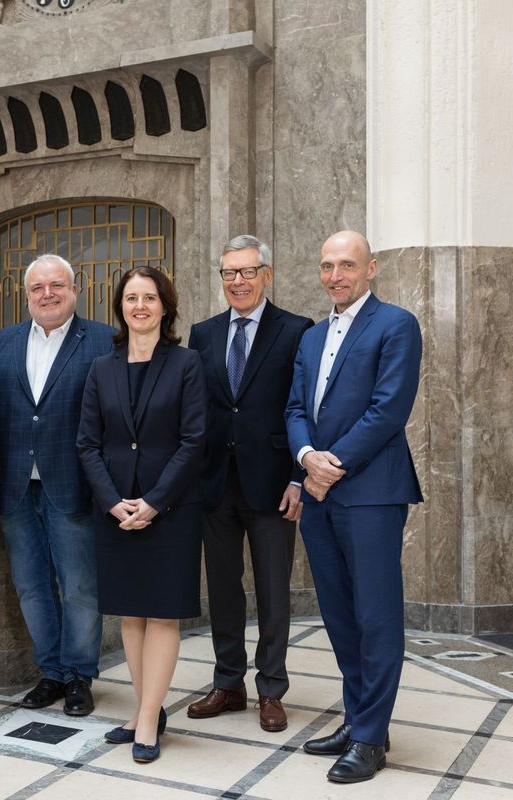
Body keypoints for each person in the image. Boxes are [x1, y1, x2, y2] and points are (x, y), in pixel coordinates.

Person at [285, 230, 422, 783]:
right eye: (326, 266)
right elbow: (296, 406)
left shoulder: (396, 325)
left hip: (370, 492)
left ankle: (370, 738)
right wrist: (305, 455)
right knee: (339, 613)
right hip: (319, 492)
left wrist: (329, 466)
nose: (335, 275)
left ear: (371, 270)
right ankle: (360, 718)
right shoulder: (312, 337)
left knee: (375, 614)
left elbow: (389, 410)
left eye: (346, 265)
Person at [76, 266, 206, 764]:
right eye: (131, 298)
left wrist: (154, 501)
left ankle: (150, 718)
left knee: (162, 613)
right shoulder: (100, 368)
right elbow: (88, 442)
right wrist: (113, 502)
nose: (140, 306)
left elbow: (194, 440)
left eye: (149, 297)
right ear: (120, 307)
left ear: (165, 306)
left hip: (170, 509)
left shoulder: (186, 364)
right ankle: (141, 707)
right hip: (115, 509)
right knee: (131, 614)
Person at [186, 235, 312, 732]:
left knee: (273, 592)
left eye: (247, 271)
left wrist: (299, 478)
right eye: (228, 273)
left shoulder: (296, 331)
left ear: (267, 274)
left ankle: (271, 689)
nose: (237, 281)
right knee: (222, 589)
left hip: (274, 484)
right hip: (215, 484)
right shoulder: (203, 334)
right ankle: (229, 682)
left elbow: (305, 407)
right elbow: (197, 410)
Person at [0, 254, 113, 716]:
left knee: (80, 586)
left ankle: (79, 675)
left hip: (73, 484)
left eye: (56, 285)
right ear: (26, 295)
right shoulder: (0, 343)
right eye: (38, 288)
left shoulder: (102, 340)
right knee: (31, 585)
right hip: (14, 485)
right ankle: (51, 672)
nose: (47, 294)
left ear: (74, 290)